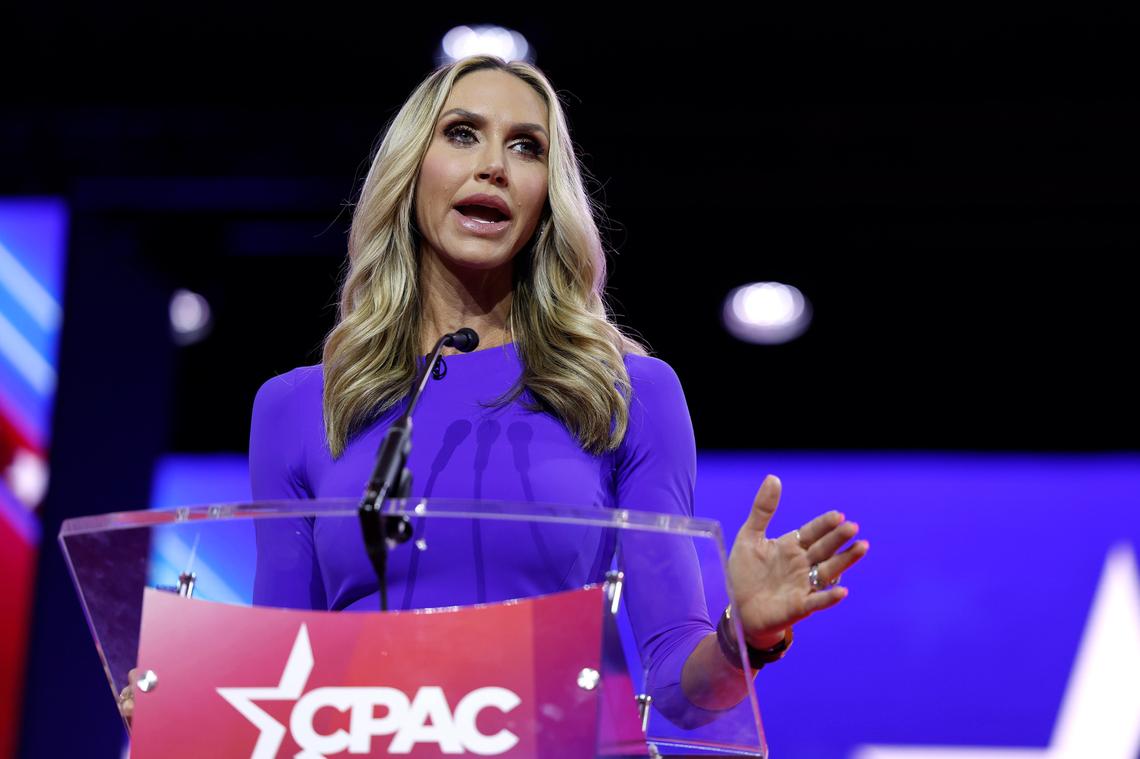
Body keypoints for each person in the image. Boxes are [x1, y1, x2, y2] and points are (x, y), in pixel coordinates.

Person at [247, 54, 869, 730]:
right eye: (462, 133)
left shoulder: (627, 392)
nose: (495, 165)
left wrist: (740, 636)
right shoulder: (299, 407)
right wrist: (188, 703)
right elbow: (276, 672)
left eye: (526, 147)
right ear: (410, 170)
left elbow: (679, 686)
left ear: (548, 194)